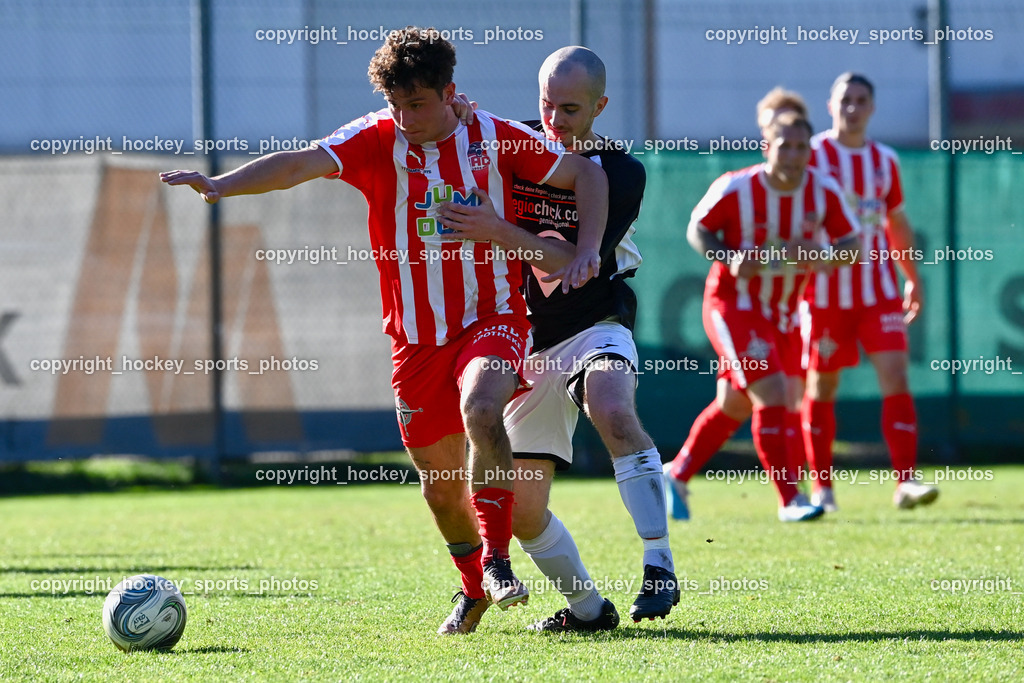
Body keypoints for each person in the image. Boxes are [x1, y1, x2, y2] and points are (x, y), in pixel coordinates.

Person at [159, 26, 610, 633]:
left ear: (451, 93)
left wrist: (587, 251)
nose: (404, 117)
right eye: (396, 104)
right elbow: (297, 164)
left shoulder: (493, 136)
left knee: (482, 406)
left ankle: (500, 560)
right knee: (440, 490)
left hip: (492, 317)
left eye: (417, 104)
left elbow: (586, 175)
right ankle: (473, 586)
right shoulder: (376, 138)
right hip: (414, 341)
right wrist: (221, 184)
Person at [438, 46, 678, 633]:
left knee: (613, 407)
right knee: (521, 509)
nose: (556, 120)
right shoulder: (509, 143)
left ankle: (659, 562)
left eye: (571, 108)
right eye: (547, 104)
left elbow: (576, 261)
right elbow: (451, 143)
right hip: (519, 339)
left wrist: (498, 229)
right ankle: (589, 609)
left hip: (594, 323)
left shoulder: (621, 173)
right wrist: (456, 117)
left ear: (600, 105)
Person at [665, 112, 862, 523]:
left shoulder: (823, 191)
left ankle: (677, 473)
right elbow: (697, 229)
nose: (792, 155)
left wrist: (821, 254)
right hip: (733, 305)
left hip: (784, 314)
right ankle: (790, 499)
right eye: (784, 146)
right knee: (774, 392)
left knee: (735, 403)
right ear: (766, 147)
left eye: (800, 147)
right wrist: (731, 258)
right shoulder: (738, 187)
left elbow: (852, 246)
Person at [802, 73, 938, 511]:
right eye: (845, 100)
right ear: (830, 105)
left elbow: (896, 223)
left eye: (861, 100)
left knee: (896, 374)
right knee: (822, 386)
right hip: (822, 294)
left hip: (877, 291)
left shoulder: (885, 160)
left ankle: (906, 482)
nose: (853, 108)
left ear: (872, 107)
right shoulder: (812, 154)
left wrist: (912, 278)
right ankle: (822, 488)